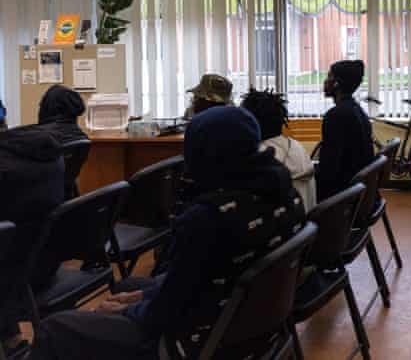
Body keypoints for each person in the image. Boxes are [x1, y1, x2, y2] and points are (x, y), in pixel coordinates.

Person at [30, 106, 306, 360]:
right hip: (251, 330)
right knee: (128, 286)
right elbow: (196, 278)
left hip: (194, 342)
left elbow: (162, 313)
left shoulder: (208, 219)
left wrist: (128, 309)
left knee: (54, 329)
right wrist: (141, 296)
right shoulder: (286, 195)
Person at [0, 126, 64, 358]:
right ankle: (11, 338)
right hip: (45, 262)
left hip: (15, 279)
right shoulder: (51, 155)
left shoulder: (5, 169)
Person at [241, 87, 315, 208]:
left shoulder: (260, 156)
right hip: (304, 217)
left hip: (284, 218)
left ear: (250, 121)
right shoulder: (296, 146)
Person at [315, 60, 373, 202]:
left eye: (329, 76)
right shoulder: (357, 110)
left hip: (343, 197)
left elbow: (329, 169)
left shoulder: (335, 116)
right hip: (360, 192)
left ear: (336, 83)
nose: (325, 81)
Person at [36, 85, 89, 199]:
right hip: (66, 197)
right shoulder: (81, 137)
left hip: (40, 199)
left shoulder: (40, 139)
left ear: (47, 107)